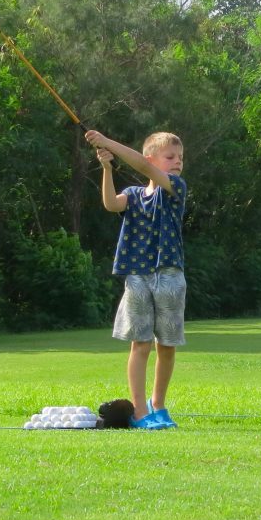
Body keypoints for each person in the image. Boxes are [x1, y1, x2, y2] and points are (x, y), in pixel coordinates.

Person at [86, 128, 188, 430]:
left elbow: (144, 168)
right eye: (170, 157)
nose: (178, 162)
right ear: (151, 157)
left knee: (166, 346)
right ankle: (141, 411)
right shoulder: (132, 196)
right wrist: (106, 167)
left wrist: (108, 143)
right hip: (137, 277)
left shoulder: (175, 187)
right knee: (140, 344)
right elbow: (110, 204)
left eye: (180, 157)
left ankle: (159, 405)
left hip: (169, 273)